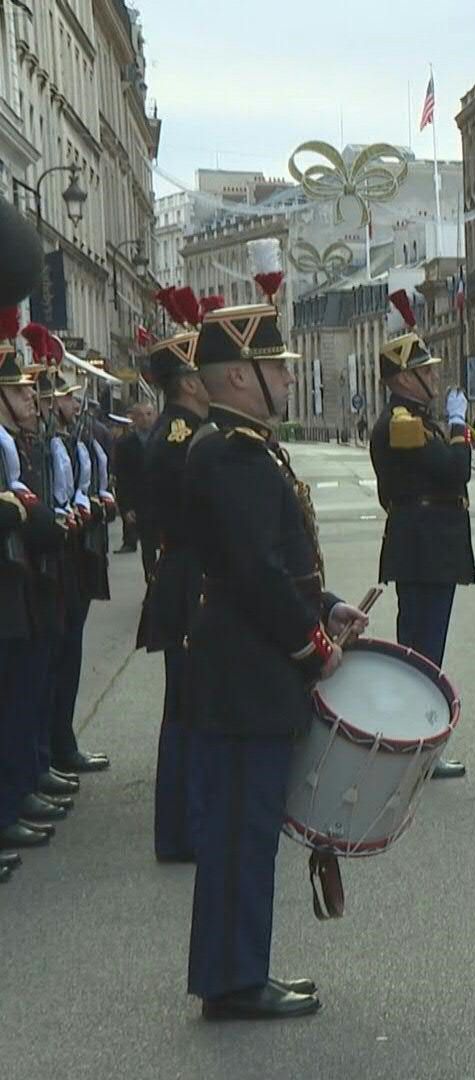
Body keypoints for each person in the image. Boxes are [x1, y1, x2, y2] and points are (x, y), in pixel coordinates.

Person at [182, 288, 368, 1021]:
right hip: (247, 671)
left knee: (246, 829)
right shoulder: (230, 455)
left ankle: (235, 972)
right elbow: (253, 573)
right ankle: (233, 981)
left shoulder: (247, 449)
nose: (290, 379)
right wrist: (312, 645)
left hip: (247, 667)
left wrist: (326, 607)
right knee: (241, 833)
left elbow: (274, 563)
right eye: (277, 369)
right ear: (235, 377)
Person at [370, 289, 474, 781]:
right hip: (425, 547)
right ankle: (416, 750)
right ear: (403, 379)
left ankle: (412, 746)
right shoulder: (403, 423)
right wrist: (459, 427)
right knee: (422, 654)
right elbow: (455, 471)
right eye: (426, 371)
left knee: (421, 649)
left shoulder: (413, 420)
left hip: (427, 545)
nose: (435, 377)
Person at [137, 288, 211, 862]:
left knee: (187, 707)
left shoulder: (179, 432)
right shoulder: (182, 439)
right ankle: (182, 831)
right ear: (187, 382)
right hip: (188, 582)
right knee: (186, 710)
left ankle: (185, 825)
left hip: (182, 576)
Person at [0, 316, 72, 867]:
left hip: (21, 579)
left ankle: (20, 788)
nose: (31, 396)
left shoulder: (17, 442)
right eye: (21, 389)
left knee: (26, 691)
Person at [39, 363, 111, 778]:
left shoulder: (69, 440)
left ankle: (59, 745)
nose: (73, 403)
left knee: (66, 662)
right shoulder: (41, 444)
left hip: (74, 562)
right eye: (65, 397)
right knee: (48, 670)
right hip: (51, 568)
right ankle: (49, 752)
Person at [114, 401, 154, 552]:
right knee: (147, 546)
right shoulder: (125, 444)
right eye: (141, 415)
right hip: (140, 502)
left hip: (160, 501)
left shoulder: (162, 439)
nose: (145, 419)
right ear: (134, 419)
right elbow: (122, 477)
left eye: (149, 414)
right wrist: (126, 507)